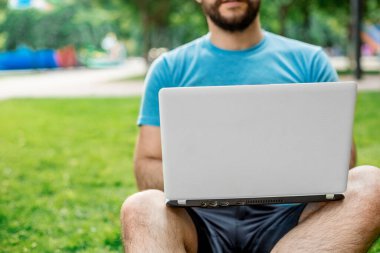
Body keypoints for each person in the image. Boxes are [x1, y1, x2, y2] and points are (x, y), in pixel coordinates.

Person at [121, 0, 380, 252]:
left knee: (372, 183)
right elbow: (146, 165)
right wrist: (210, 179)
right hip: (198, 223)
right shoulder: (168, 69)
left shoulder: (310, 61)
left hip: (295, 224)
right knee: (141, 206)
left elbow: (343, 162)